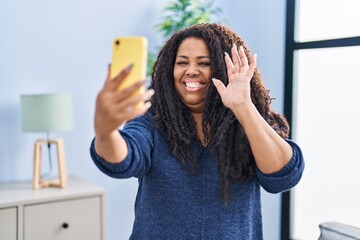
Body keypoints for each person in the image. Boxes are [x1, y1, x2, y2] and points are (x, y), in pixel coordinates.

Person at [90, 23, 304, 239]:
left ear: (224, 69)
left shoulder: (249, 121)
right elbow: (124, 159)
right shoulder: (151, 120)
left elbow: (283, 176)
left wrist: (243, 107)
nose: (191, 71)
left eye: (205, 63)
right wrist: (106, 131)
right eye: (182, 62)